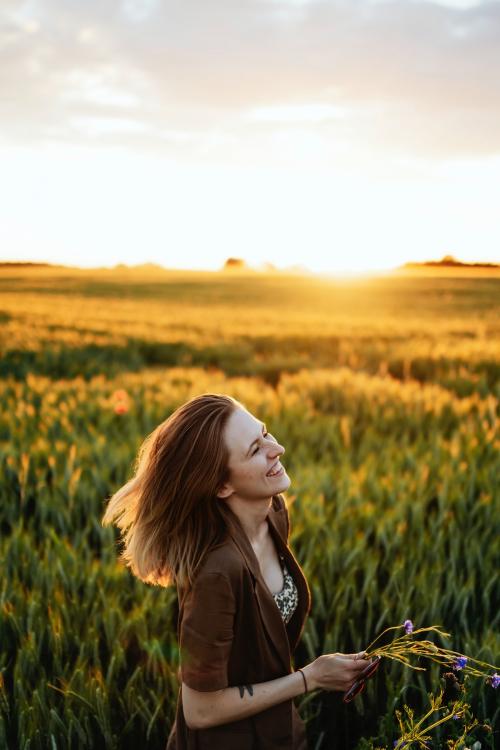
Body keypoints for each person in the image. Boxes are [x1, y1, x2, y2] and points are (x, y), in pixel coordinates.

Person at [102, 393, 370, 749]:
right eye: (255, 450)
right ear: (222, 485)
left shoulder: (273, 511)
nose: (278, 449)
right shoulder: (216, 573)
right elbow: (199, 710)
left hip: (279, 730)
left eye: (266, 434)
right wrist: (310, 678)